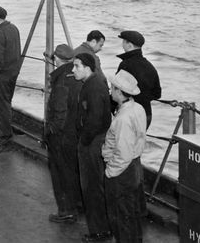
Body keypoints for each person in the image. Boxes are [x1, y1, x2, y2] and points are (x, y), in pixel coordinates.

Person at [102, 71, 147, 243]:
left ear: (120, 92)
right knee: (131, 213)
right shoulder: (138, 109)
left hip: (122, 171)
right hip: (134, 166)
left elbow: (122, 154)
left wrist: (110, 172)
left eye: (112, 88)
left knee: (120, 216)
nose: (110, 91)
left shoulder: (123, 118)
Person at [74, 52, 112, 243]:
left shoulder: (94, 87)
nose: (73, 70)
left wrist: (84, 141)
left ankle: (99, 231)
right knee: (94, 185)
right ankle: (102, 227)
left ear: (87, 68)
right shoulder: (92, 83)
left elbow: (95, 119)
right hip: (95, 140)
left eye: (77, 66)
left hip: (93, 143)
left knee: (92, 187)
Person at [46, 44, 83, 223]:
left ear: (57, 59)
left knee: (60, 174)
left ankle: (66, 210)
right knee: (73, 171)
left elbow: (59, 114)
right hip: (76, 134)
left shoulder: (60, 82)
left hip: (61, 137)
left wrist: (50, 132)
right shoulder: (78, 77)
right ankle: (78, 204)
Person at [0, 5, 21, 146]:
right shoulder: (13, 29)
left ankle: (5, 134)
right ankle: (2, 128)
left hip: (0, 74)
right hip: (12, 72)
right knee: (6, 100)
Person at [115, 30, 161, 129]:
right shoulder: (150, 67)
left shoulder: (125, 65)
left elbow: (118, 89)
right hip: (146, 115)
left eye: (123, 42)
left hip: (130, 115)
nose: (122, 45)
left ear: (129, 45)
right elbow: (157, 94)